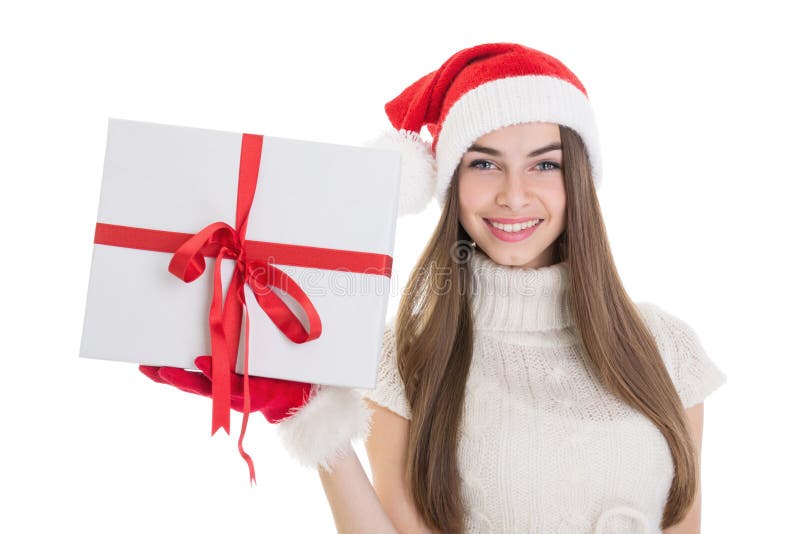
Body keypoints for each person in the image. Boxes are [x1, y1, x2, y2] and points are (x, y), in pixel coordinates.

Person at [141, 43, 727, 533]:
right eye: (484, 164)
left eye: (545, 165)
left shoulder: (666, 348)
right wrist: (313, 421)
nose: (515, 195)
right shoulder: (405, 358)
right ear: (448, 182)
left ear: (579, 177)